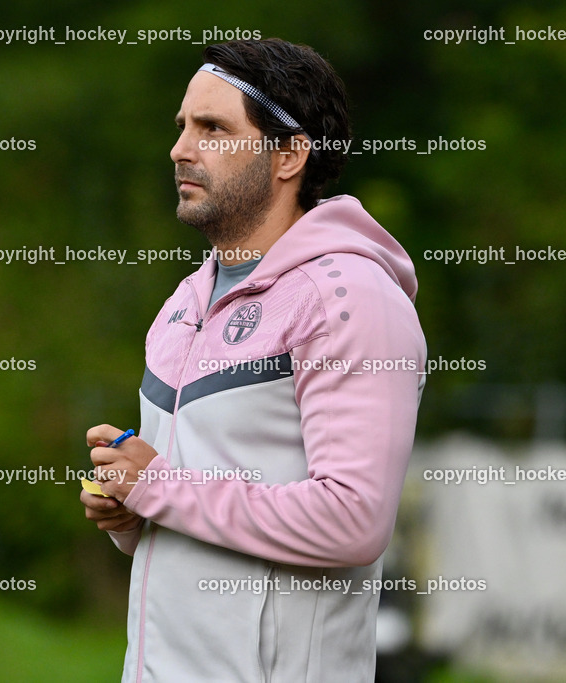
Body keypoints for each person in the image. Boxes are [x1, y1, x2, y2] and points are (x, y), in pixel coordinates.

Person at [81, 38, 427, 682]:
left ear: (289, 155)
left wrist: (158, 487)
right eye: (182, 126)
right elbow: (189, 506)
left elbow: (352, 520)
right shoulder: (184, 301)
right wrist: (129, 512)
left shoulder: (351, 299)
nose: (182, 148)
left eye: (213, 127)